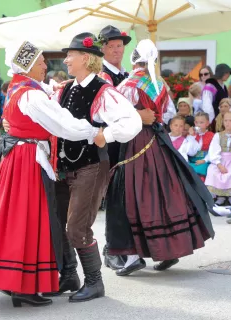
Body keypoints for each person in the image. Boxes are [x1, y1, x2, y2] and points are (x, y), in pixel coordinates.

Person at [0, 40, 107, 307]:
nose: (45, 66)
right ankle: (23, 285)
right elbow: (62, 124)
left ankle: (25, 282)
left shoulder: (17, 87)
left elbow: (47, 95)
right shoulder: (31, 95)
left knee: (19, 219)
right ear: (27, 67)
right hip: (28, 161)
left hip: (18, 158)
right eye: (40, 63)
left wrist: (61, 87)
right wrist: (94, 132)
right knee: (29, 220)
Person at [105, 40, 215, 277]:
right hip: (158, 142)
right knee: (163, 193)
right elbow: (167, 114)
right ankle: (168, 250)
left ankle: (133, 255)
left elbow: (117, 115)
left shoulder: (128, 84)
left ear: (134, 59)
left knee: (134, 196)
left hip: (134, 142)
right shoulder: (160, 84)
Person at [46, 32, 142, 301]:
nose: (65, 60)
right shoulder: (65, 88)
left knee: (77, 227)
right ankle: (68, 275)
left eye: (70, 55)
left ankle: (95, 282)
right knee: (60, 222)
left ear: (85, 58)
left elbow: (132, 121)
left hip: (91, 166)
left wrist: (107, 135)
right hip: (63, 167)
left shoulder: (103, 91)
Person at [97, 25, 133, 269]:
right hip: (110, 142)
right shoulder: (102, 77)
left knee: (127, 195)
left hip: (128, 140)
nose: (116, 50)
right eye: (111, 46)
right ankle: (111, 248)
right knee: (114, 196)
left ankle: (125, 246)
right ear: (103, 49)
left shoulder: (127, 75)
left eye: (119, 45)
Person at [188, 112, 215, 182]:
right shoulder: (191, 135)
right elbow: (189, 151)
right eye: (196, 122)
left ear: (207, 123)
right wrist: (191, 136)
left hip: (205, 160)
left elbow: (213, 151)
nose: (198, 125)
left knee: (202, 169)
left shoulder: (212, 136)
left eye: (201, 122)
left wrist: (204, 160)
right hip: (192, 159)